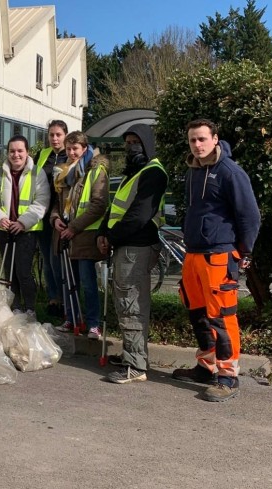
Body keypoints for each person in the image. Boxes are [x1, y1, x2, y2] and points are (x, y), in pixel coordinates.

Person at [171, 119, 260, 402]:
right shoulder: (194, 171)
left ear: (215, 139)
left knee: (221, 316)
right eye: (192, 140)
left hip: (219, 255)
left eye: (202, 139)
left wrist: (244, 252)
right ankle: (206, 367)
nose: (197, 145)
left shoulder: (230, 172)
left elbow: (249, 216)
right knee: (197, 313)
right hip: (194, 253)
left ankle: (228, 376)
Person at [96, 124, 168, 384]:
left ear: (147, 144)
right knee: (125, 303)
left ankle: (136, 365)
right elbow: (116, 209)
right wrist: (103, 233)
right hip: (125, 246)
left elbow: (139, 215)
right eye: (127, 143)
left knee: (132, 305)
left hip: (136, 247)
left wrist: (111, 236)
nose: (131, 147)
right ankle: (132, 355)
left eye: (136, 142)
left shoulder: (153, 172)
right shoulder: (134, 172)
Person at [0, 135, 50, 316]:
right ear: (7, 153)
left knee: (23, 271)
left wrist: (23, 222)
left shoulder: (37, 173)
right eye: (12, 151)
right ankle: (14, 307)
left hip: (26, 230)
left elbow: (42, 201)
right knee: (9, 271)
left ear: (27, 152)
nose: (16, 155)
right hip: (4, 229)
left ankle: (29, 308)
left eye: (20, 151)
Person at [50, 131, 107, 338]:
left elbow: (99, 205)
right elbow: (58, 203)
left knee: (87, 282)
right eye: (68, 149)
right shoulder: (64, 172)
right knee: (68, 281)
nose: (72, 153)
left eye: (75, 149)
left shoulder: (96, 170)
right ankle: (72, 318)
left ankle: (93, 324)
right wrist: (55, 218)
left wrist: (73, 227)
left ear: (84, 149)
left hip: (84, 236)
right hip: (65, 235)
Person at [35, 120, 68, 316]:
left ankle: (65, 300)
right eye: (51, 135)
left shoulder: (70, 155)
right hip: (43, 214)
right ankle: (53, 298)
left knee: (58, 260)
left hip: (61, 215)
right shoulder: (43, 155)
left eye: (58, 135)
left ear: (65, 136)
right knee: (47, 259)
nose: (54, 139)